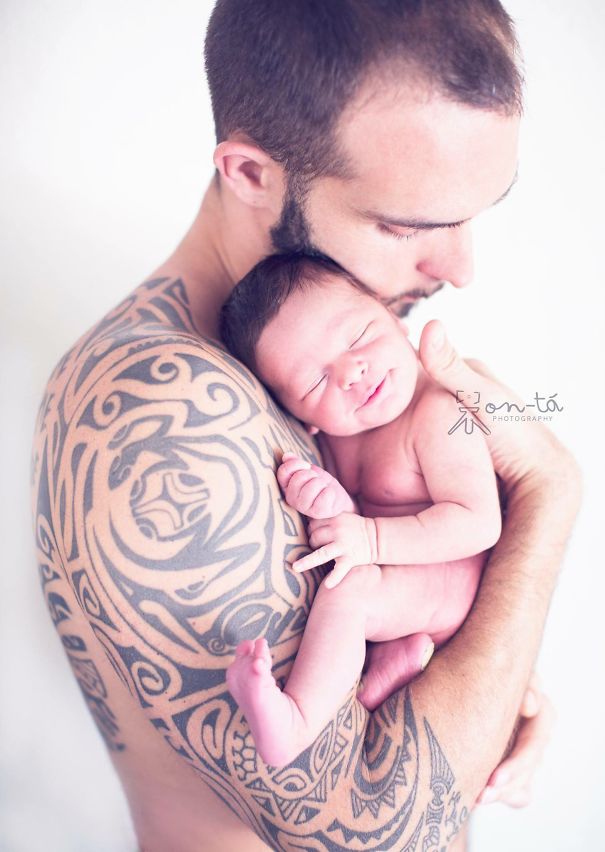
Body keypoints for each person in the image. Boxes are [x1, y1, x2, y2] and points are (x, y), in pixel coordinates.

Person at [30, 2, 579, 850]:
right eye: (404, 225)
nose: (461, 269)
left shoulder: (336, 384)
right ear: (251, 173)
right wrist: (550, 497)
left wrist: (488, 672)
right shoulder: (164, 415)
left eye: (475, 212)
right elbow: (376, 834)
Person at [221, 251, 503, 767]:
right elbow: (352, 514)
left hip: (447, 583)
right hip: (402, 591)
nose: (351, 371)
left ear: (393, 316)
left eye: (358, 337)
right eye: (315, 383)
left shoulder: (437, 414)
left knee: (348, 590)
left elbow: (479, 522)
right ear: (299, 420)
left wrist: (368, 540)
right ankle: (395, 661)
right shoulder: (339, 437)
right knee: (349, 583)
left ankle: (294, 723)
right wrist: (322, 497)